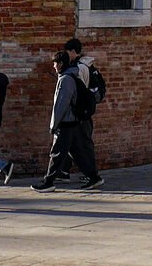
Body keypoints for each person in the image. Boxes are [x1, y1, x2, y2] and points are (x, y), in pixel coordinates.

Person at [32, 51, 95, 191]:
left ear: (60, 64)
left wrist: (53, 125)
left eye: (54, 63)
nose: (53, 66)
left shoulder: (65, 79)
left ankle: (48, 182)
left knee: (57, 153)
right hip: (74, 121)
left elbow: (61, 104)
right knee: (77, 153)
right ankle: (94, 177)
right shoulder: (73, 75)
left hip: (66, 122)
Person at [62, 37, 104, 189]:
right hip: (81, 112)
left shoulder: (81, 67)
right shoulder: (81, 65)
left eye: (67, 52)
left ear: (73, 52)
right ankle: (63, 171)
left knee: (83, 144)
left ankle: (92, 174)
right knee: (71, 142)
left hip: (80, 112)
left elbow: (78, 90)